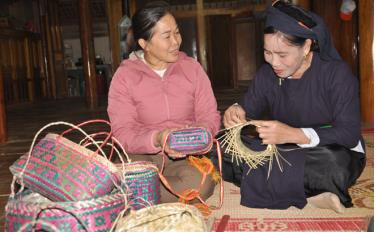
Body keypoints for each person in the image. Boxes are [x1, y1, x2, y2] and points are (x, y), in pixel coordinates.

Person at [221, 0, 365, 213]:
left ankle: (281, 185)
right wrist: (235, 111)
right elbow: (246, 110)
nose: (274, 63)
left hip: (325, 150)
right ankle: (313, 195)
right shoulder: (267, 74)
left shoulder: (337, 75)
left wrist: (296, 135)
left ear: (306, 46)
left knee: (334, 165)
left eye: (282, 55)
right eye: (267, 52)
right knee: (222, 148)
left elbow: (349, 134)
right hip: (285, 151)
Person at [107, 2, 221, 204]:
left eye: (177, 33)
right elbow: (122, 131)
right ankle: (141, 192)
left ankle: (139, 197)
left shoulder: (192, 69)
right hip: (142, 154)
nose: (176, 41)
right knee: (126, 176)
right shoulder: (125, 76)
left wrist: (198, 137)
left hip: (185, 155)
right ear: (144, 44)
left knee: (201, 185)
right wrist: (157, 138)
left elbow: (209, 116)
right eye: (167, 36)